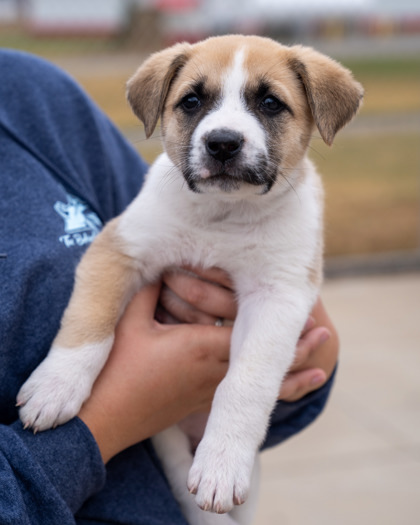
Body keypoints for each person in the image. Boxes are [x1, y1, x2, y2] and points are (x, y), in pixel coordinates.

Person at [0, 49, 338, 525]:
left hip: (219, 410)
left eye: (268, 105)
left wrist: (236, 427)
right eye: (194, 102)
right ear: (158, 110)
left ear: (317, 119)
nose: (222, 131)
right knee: (191, 477)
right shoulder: (163, 195)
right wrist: (75, 357)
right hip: (132, 454)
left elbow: (286, 303)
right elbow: (116, 255)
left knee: (227, 484)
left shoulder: (35, 98)